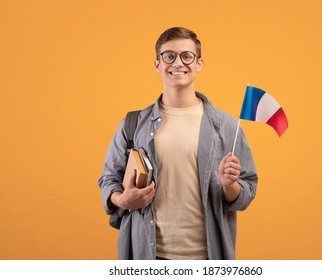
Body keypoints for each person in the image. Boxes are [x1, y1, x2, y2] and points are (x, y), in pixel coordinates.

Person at [98, 27, 258, 260]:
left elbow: (246, 192)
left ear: (199, 63)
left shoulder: (226, 126)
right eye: (169, 56)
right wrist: (122, 200)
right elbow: (108, 178)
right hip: (147, 255)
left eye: (187, 56)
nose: (178, 63)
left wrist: (229, 185)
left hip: (208, 256)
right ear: (157, 64)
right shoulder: (132, 124)